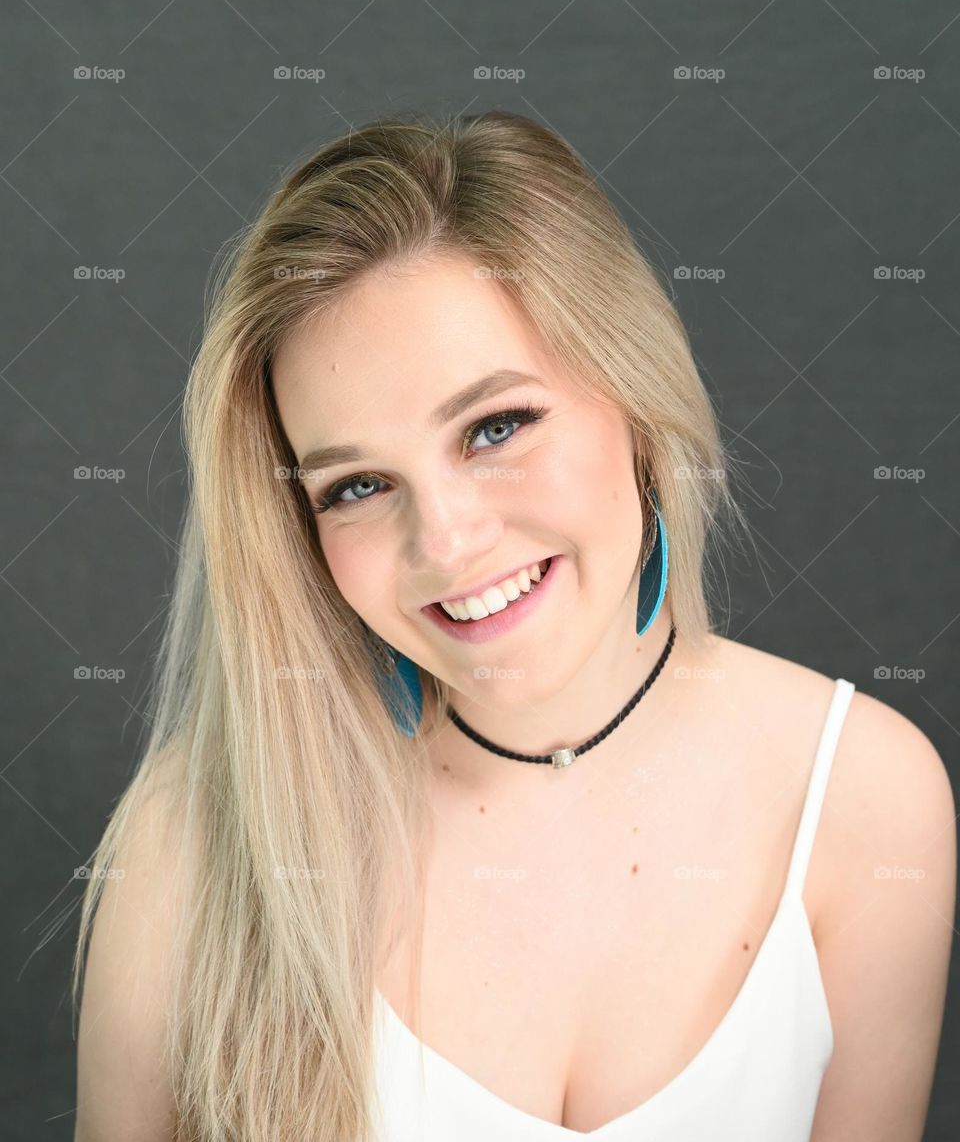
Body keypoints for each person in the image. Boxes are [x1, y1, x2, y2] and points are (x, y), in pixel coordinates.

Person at [73, 111, 955, 1142]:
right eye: (357, 484)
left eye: (495, 426)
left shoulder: (863, 797)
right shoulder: (195, 841)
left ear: (636, 396)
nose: (445, 543)